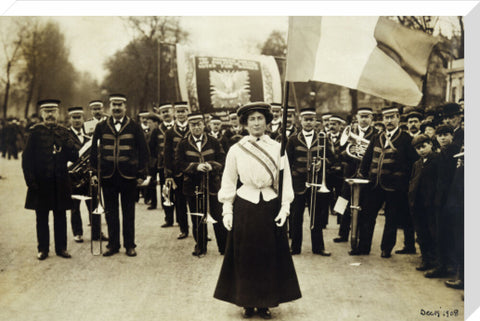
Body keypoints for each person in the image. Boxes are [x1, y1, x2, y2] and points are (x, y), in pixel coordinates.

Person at [214, 102, 301, 319]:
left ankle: (265, 303)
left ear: (267, 122)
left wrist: (285, 207)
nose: (256, 123)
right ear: (245, 123)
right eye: (251, 119)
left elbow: (285, 180)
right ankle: (247, 302)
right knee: (246, 255)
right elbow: (229, 179)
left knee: (267, 255)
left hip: (270, 205)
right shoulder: (236, 149)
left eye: (260, 118)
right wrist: (227, 209)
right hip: (245, 204)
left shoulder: (277, 148)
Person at [352, 106, 418, 258]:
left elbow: (413, 163)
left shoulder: (406, 139)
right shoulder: (377, 137)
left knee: (392, 218)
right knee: (367, 216)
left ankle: (386, 249)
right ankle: (363, 247)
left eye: (392, 117)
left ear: (398, 118)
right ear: (382, 120)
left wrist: (402, 179)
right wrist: (363, 174)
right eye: (386, 118)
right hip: (374, 184)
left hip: (395, 187)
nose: (389, 121)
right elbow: (367, 158)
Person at [90, 93, 149, 257]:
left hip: (129, 176)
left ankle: (130, 245)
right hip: (108, 176)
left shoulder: (134, 126)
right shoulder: (101, 126)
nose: (116, 108)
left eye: (119, 105)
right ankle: (113, 245)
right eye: (114, 105)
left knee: (129, 213)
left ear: (125, 107)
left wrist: (141, 173)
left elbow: (143, 151)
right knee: (110, 213)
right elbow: (94, 151)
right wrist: (94, 172)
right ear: (110, 107)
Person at [22, 99, 79, 260]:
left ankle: (61, 248)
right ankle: (43, 249)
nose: (50, 115)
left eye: (53, 111)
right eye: (46, 111)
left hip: (60, 181)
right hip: (41, 183)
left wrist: (68, 144)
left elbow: (74, 157)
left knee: (60, 216)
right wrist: (30, 181)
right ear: (42, 114)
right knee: (41, 218)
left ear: (58, 113)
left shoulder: (64, 131)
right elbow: (26, 159)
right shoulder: (34, 132)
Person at [175, 112, 226, 256]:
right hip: (193, 186)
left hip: (213, 184)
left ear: (204, 125)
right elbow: (178, 164)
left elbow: (223, 160)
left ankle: (224, 246)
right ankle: (200, 246)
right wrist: (195, 167)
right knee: (198, 216)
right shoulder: (183, 143)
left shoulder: (213, 141)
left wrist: (211, 165)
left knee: (218, 215)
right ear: (189, 126)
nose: (196, 127)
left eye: (199, 124)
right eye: (193, 125)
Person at [286, 107, 332, 256]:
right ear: (301, 120)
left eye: (311, 120)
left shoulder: (323, 138)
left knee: (316, 217)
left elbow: (332, 158)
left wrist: (322, 163)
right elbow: (287, 161)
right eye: (306, 119)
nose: (308, 122)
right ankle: (295, 247)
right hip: (298, 183)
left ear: (315, 121)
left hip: (317, 183)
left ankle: (318, 247)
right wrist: (294, 174)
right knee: (296, 216)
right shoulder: (293, 139)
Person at [334, 107, 377, 244]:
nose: (364, 119)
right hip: (350, 171)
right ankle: (342, 233)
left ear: (371, 119)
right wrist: (349, 153)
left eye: (367, 116)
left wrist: (366, 158)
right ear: (356, 118)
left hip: (366, 174)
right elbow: (339, 151)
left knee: (363, 204)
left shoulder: (376, 134)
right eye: (361, 116)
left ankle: (358, 234)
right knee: (343, 201)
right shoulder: (349, 132)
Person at [408, 134, 438, 271]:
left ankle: (435, 261)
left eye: (423, 146)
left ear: (431, 144)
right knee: (421, 233)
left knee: (432, 233)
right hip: (417, 203)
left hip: (430, 204)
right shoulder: (417, 164)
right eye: (418, 148)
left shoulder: (437, 160)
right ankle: (425, 259)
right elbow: (413, 182)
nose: (421, 150)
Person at [164, 101, 191, 238]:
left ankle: (200, 228)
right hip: (177, 172)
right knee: (180, 202)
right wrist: (168, 173)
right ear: (175, 113)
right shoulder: (169, 133)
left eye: (183, 111)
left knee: (197, 201)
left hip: (193, 171)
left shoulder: (194, 128)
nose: (181, 114)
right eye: (178, 111)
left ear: (187, 112)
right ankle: (184, 229)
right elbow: (167, 154)